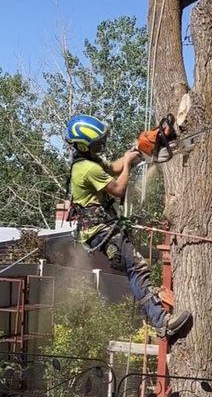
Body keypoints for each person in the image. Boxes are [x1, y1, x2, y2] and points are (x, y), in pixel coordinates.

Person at [65, 114, 190, 337]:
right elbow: (118, 188)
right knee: (137, 268)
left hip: (101, 229)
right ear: (85, 144)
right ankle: (161, 323)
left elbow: (114, 166)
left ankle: (159, 318)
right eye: (97, 142)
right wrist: (128, 167)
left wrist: (134, 151)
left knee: (137, 267)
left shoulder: (88, 160)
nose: (101, 145)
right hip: (101, 232)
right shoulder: (86, 168)